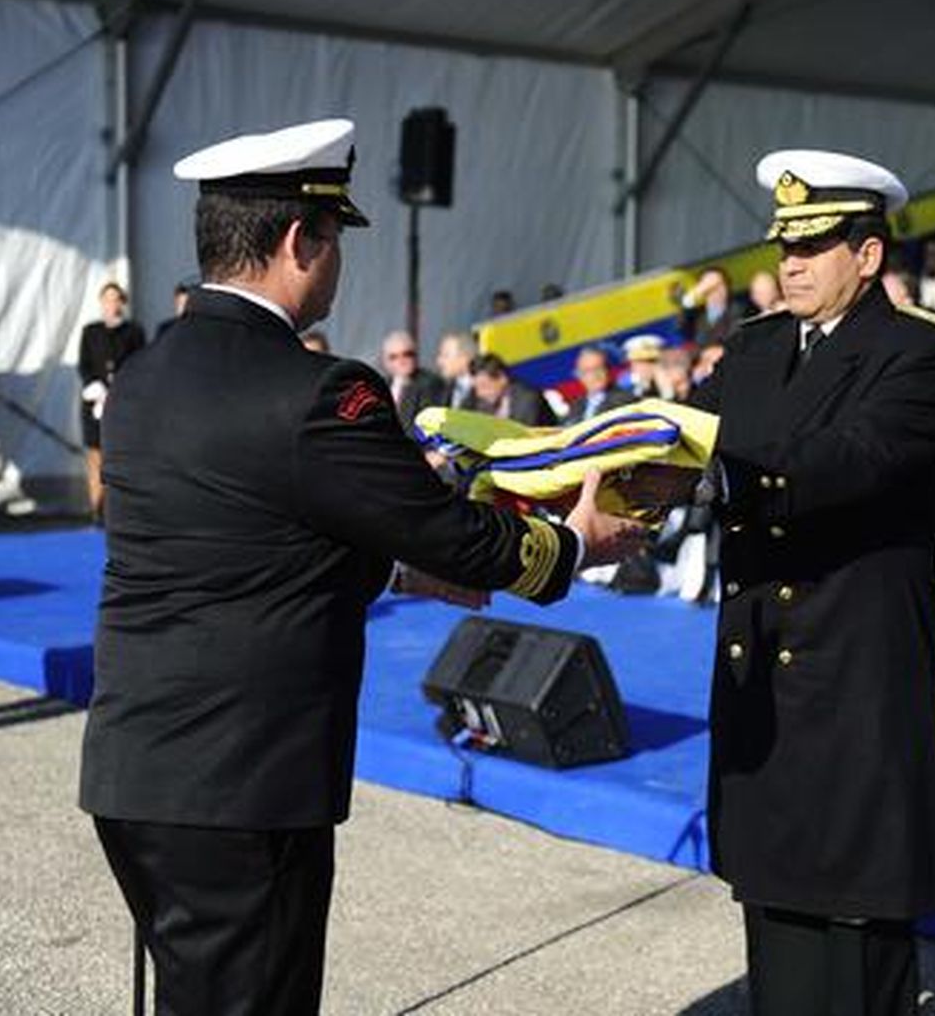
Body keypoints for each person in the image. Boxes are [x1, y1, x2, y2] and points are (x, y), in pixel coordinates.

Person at [78, 119, 643, 1015]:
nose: (338, 263)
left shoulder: (144, 375)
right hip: (246, 784)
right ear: (302, 241)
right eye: (334, 238)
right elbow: (447, 531)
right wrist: (572, 544)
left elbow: (243, 547)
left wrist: (391, 578)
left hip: (134, 768)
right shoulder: (319, 390)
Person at [690, 149, 935, 1014]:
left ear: (871, 254)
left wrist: (723, 475)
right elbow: (681, 437)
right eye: (786, 247)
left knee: (855, 914)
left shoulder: (920, 355)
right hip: (762, 667)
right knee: (774, 906)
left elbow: (856, 457)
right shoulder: (754, 346)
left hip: (853, 671)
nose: (793, 264)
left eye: (817, 246)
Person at [78, 282, 146, 521]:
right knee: (95, 456)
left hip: (122, 402)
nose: (112, 304)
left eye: (116, 299)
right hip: (94, 404)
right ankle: (96, 507)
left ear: (123, 303)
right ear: (101, 302)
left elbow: (139, 364)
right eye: (107, 299)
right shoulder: (90, 331)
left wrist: (120, 389)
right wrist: (95, 387)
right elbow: (84, 365)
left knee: (117, 456)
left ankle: (116, 508)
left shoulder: (133, 331)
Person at [379, 329, 443, 429]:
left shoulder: (429, 383)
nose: (401, 361)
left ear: (415, 356)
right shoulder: (383, 384)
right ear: (385, 361)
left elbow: (424, 425)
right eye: (393, 357)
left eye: (407, 354)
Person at [470, 352, 552, 425]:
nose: (479, 394)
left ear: (502, 378)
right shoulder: (482, 403)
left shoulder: (527, 399)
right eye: (476, 387)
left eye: (485, 386)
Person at [564, 344, 634, 422]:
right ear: (580, 375)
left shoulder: (624, 399)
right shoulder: (576, 405)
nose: (596, 375)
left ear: (607, 370)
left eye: (599, 368)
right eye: (589, 370)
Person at [682, 265, 744, 347]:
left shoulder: (739, 310)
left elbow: (732, 340)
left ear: (727, 286)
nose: (715, 289)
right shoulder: (696, 315)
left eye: (718, 284)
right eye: (709, 285)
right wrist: (696, 293)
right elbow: (683, 332)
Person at [434, 331, 477, 409]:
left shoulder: (486, 387)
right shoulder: (442, 390)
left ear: (465, 358)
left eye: (445, 355)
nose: (439, 361)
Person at [621, 334, 665, 399]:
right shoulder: (624, 386)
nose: (646, 367)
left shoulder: (664, 383)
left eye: (651, 361)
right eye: (641, 362)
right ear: (632, 364)